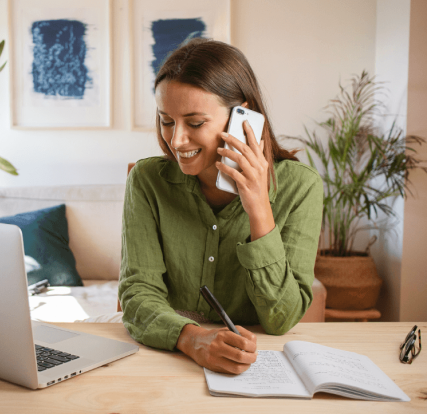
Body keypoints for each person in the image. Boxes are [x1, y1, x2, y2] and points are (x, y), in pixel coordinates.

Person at [118, 38, 323, 375]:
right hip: (166, 357)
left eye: (195, 123)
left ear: (241, 117)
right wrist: (192, 340)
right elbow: (138, 294)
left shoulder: (301, 187)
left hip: (256, 365)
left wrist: (258, 208)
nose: (176, 140)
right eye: (166, 120)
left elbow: (281, 320)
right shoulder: (147, 181)